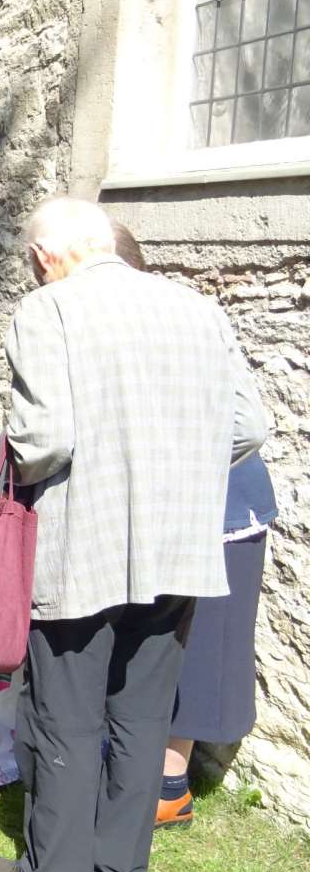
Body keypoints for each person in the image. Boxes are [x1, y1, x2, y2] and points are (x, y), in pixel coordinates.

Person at [0, 198, 267, 872]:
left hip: (83, 547)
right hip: (179, 552)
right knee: (142, 719)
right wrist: (179, 468)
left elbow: (45, 442)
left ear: (46, 257)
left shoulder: (49, 310)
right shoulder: (198, 308)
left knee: (64, 721)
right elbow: (249, 428)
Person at [108, 224, 279, 832]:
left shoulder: (182, 319)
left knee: (198, 645)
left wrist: (179, 470)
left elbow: (248, 424)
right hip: (170, 504)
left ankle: (169, 785)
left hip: (221, 507)